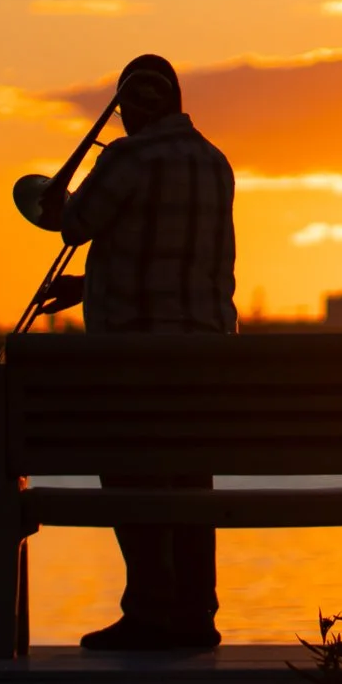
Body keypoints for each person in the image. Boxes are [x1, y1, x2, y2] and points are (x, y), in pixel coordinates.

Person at [37, 52, 238, 651]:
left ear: (127, 110)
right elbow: (174, 256)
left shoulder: (127, 158)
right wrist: (89, 284)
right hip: (205, 364)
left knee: (130, 471)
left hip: (134, 366)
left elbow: (72, 224)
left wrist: (54, 204)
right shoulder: (215, 163)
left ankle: (151, 610)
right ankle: (196, 610)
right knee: (190, 478)